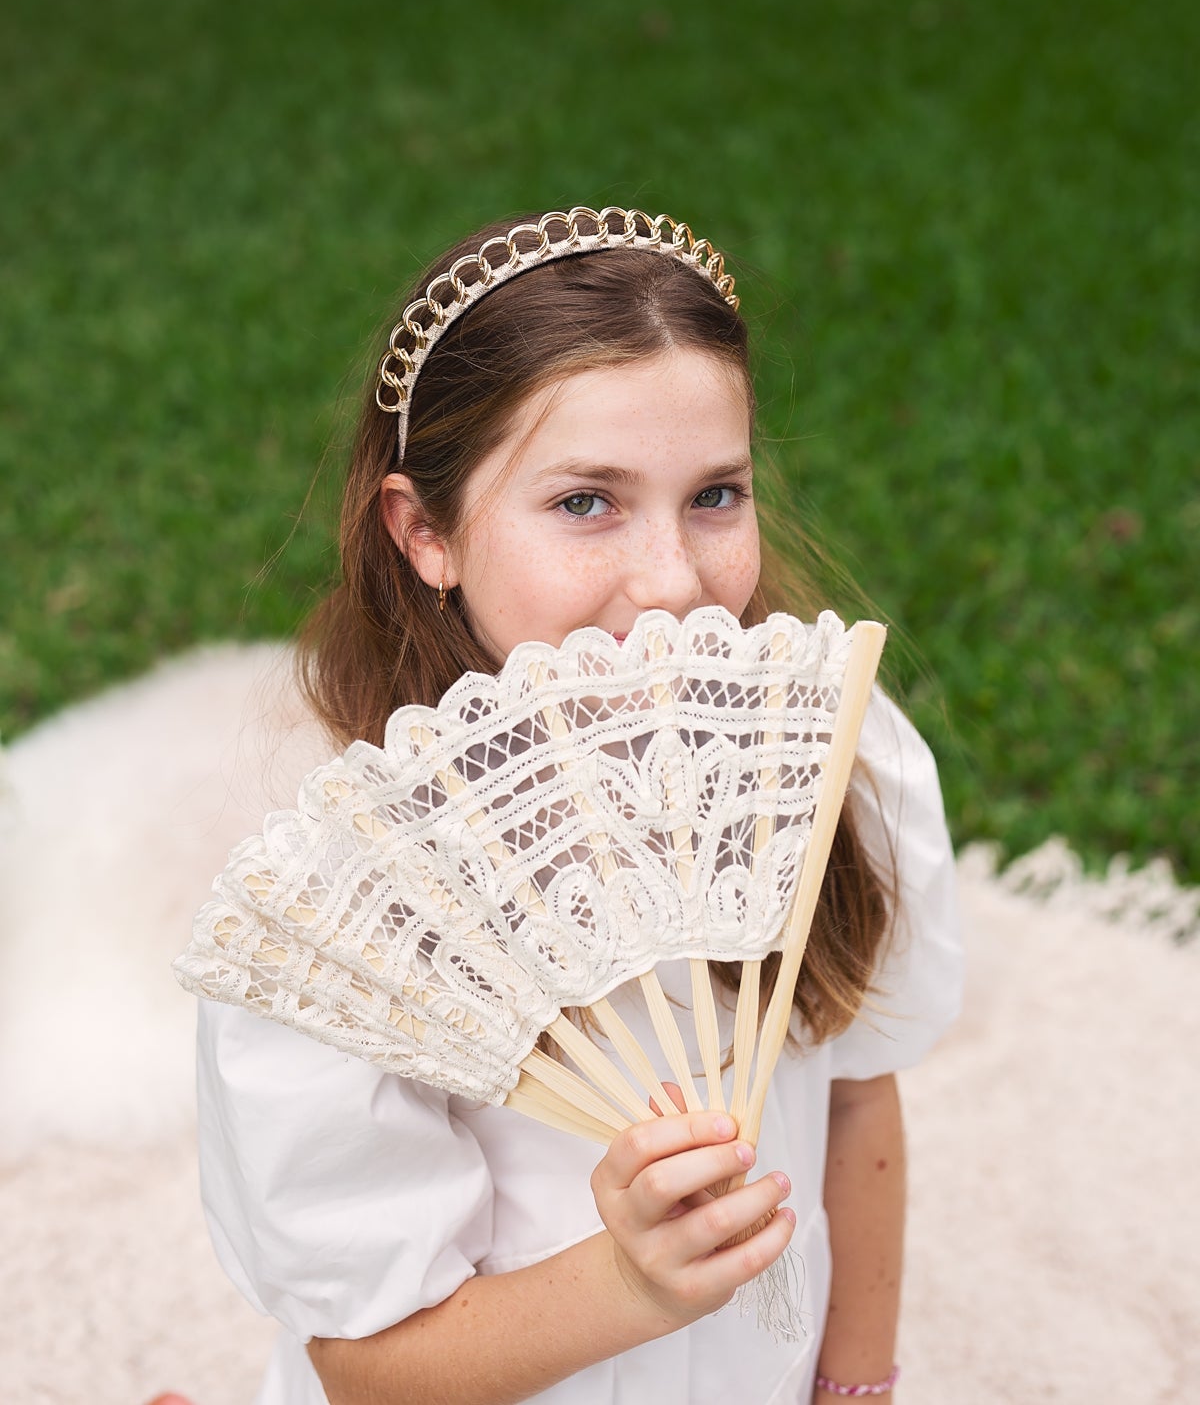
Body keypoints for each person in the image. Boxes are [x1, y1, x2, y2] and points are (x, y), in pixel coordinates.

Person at [194, 206, 962, 1405]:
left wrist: (856, 1381)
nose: (672, 583)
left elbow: (860, 1093)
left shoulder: (834, 765)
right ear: (426, 531)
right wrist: (633, 1287)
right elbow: (371, 1365)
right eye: (586, 503)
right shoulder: (352, 907)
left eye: (714, 494)